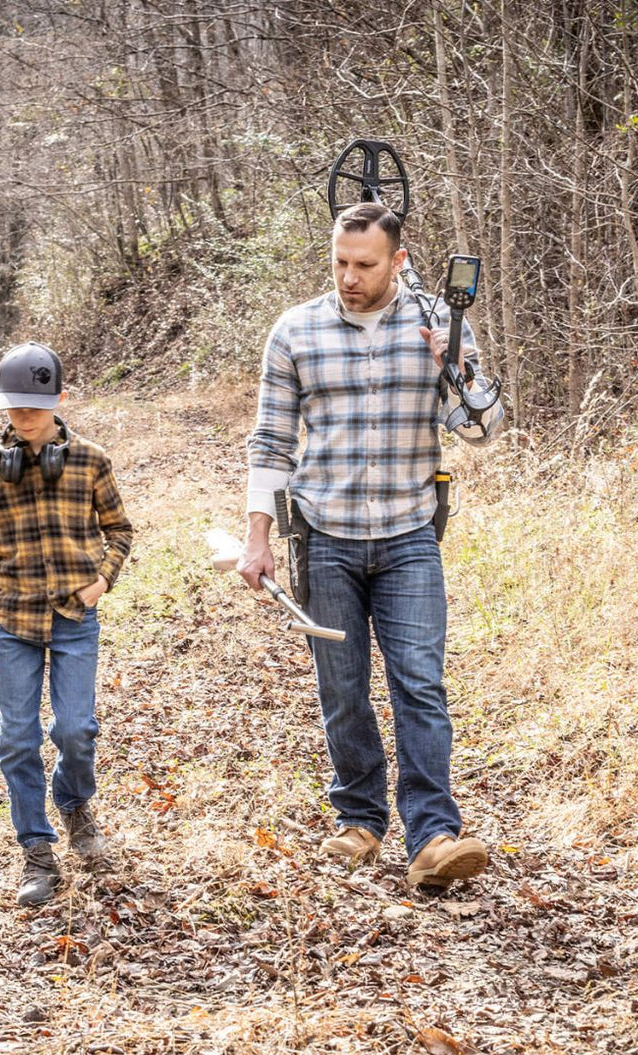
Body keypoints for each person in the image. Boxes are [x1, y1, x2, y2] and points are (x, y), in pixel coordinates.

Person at [238, 203, 504, 887]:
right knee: (343, 688)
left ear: (398, 261)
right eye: (340, 263)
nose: (350, 277)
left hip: (410, 535)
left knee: (420, 685)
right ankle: (358, 821)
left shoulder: (439, 326)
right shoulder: (295, 330)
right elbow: (270, 442)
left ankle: (435, 837)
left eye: (365, 265)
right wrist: (257, 535)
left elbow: (482, 430)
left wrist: (459, 370)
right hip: (324, 537)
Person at [0, 341, 133, 907]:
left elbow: (120, 530)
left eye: (32, 407)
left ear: (59, 400)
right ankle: (36, 849)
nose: (21, 419)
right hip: (16, 622)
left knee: (75, 729)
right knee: (16, 738)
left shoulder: (91, 461)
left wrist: (102, 580)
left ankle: (74, 803)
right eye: (13, 409)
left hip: (76, 616)